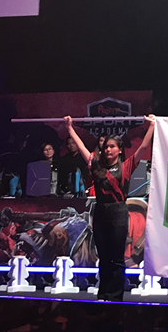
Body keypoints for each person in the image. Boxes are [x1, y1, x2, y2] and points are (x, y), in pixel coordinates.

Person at [63, 114, 156, 301]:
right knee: (104, 257)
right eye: (106, 146)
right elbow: (82, 148)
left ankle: (115, 297)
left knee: (117, 258)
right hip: (100, 212)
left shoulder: (127, 166)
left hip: (118, 212)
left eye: (112, 146)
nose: (108, 149)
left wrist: (152, 126)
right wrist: (69, 128)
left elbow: (143, 147)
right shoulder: (96, 165)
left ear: (120, 150)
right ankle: (103, 294)